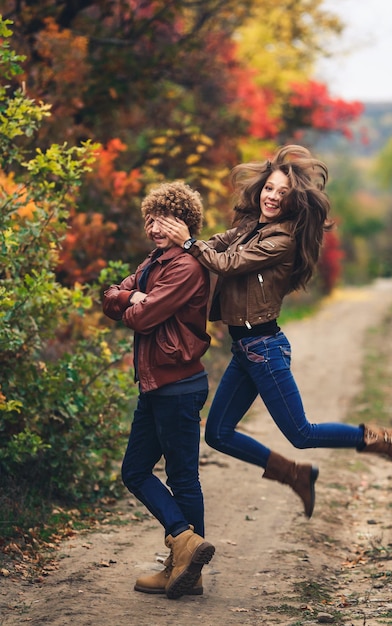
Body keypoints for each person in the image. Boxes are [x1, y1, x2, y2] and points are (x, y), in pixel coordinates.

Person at [156, 145, 392, 520]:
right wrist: (178, 247)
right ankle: (294, 474)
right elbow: (216, 245)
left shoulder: (281, 240)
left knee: (302, 433)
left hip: (264, 347)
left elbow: (227, 264)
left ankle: (386, 441)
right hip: (245, 350)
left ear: (294, 201)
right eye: (269, 189)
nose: (273, 197)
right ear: (260, 189)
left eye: (283, 193)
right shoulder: (251, 226)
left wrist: (188, 243)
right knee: (217, 434)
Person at [102, 181, 215, 600]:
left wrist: (134, 303)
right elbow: (111, 298)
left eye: (164, 219)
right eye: (150, 219)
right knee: (135, 470)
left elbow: (141, 320)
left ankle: (186, 569)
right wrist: (132, 293)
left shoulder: (185, 267)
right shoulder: (154, 262)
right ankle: (185, 544)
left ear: (184, 222)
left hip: (178, 384)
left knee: (183, 477)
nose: (154, 227)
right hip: (154, 385)